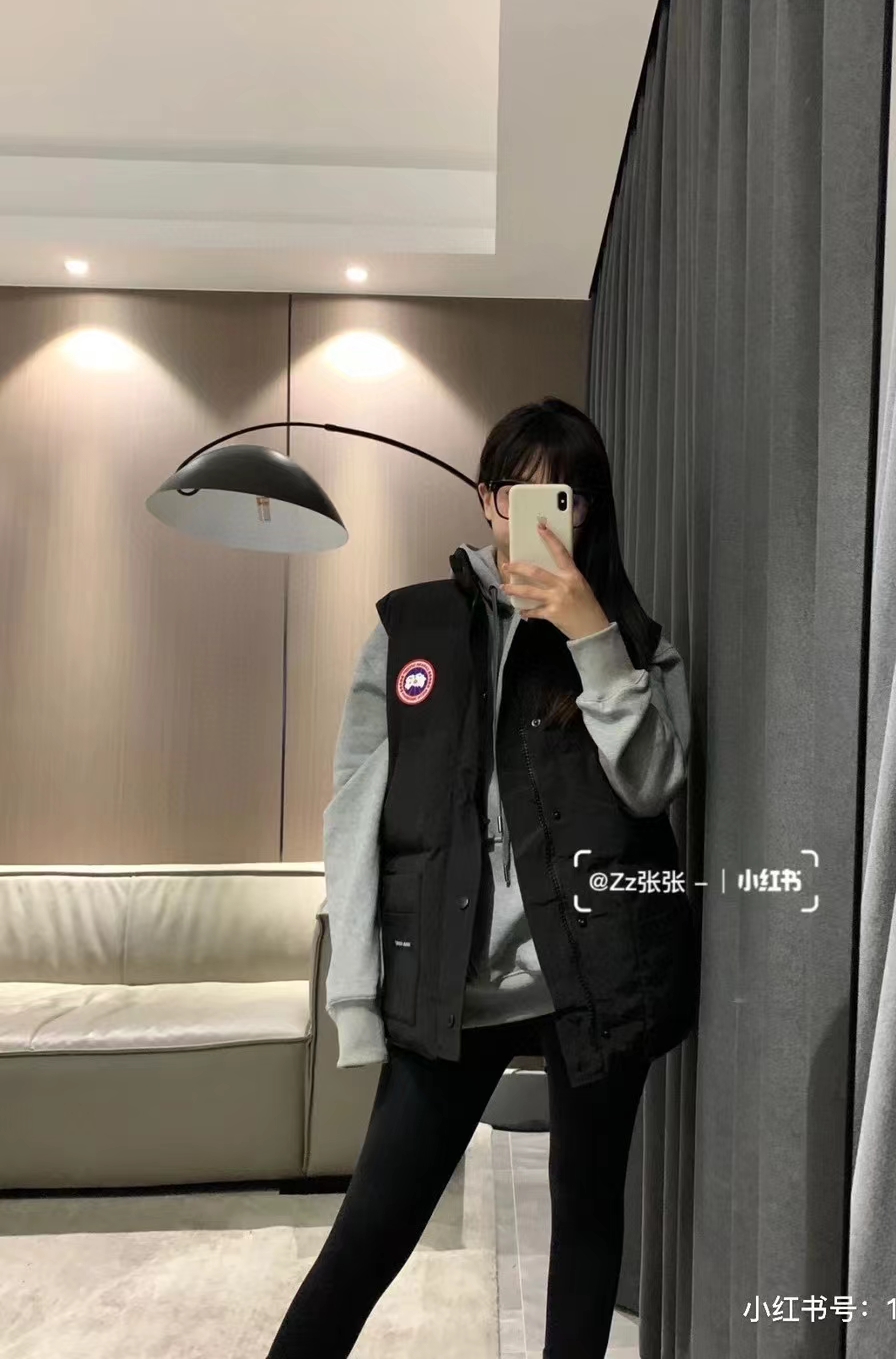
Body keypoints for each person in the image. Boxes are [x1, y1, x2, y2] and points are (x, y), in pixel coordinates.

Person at [265, 397, 698, 1359]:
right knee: (369, 1235)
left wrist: (589, 632)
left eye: (563, 495)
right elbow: (355, 812)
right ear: (485, 497)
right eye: (517, 490)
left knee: (586, 1223)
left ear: (589, 509)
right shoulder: (413, 629)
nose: (537, 512)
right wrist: (357, 993)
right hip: (451, 987)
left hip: (596, 983)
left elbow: (652, 784)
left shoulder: (630, 636)